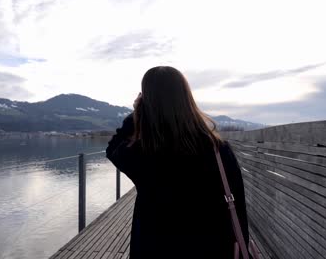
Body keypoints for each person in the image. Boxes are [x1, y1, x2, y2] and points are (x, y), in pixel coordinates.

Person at [106, 66, 249, 259]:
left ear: (147, 103)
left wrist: (136, 115)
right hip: (212, 249)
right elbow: (238, 208)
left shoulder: (141, 154)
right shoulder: (218, 150)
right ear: (186, 99)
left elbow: (113, 148)